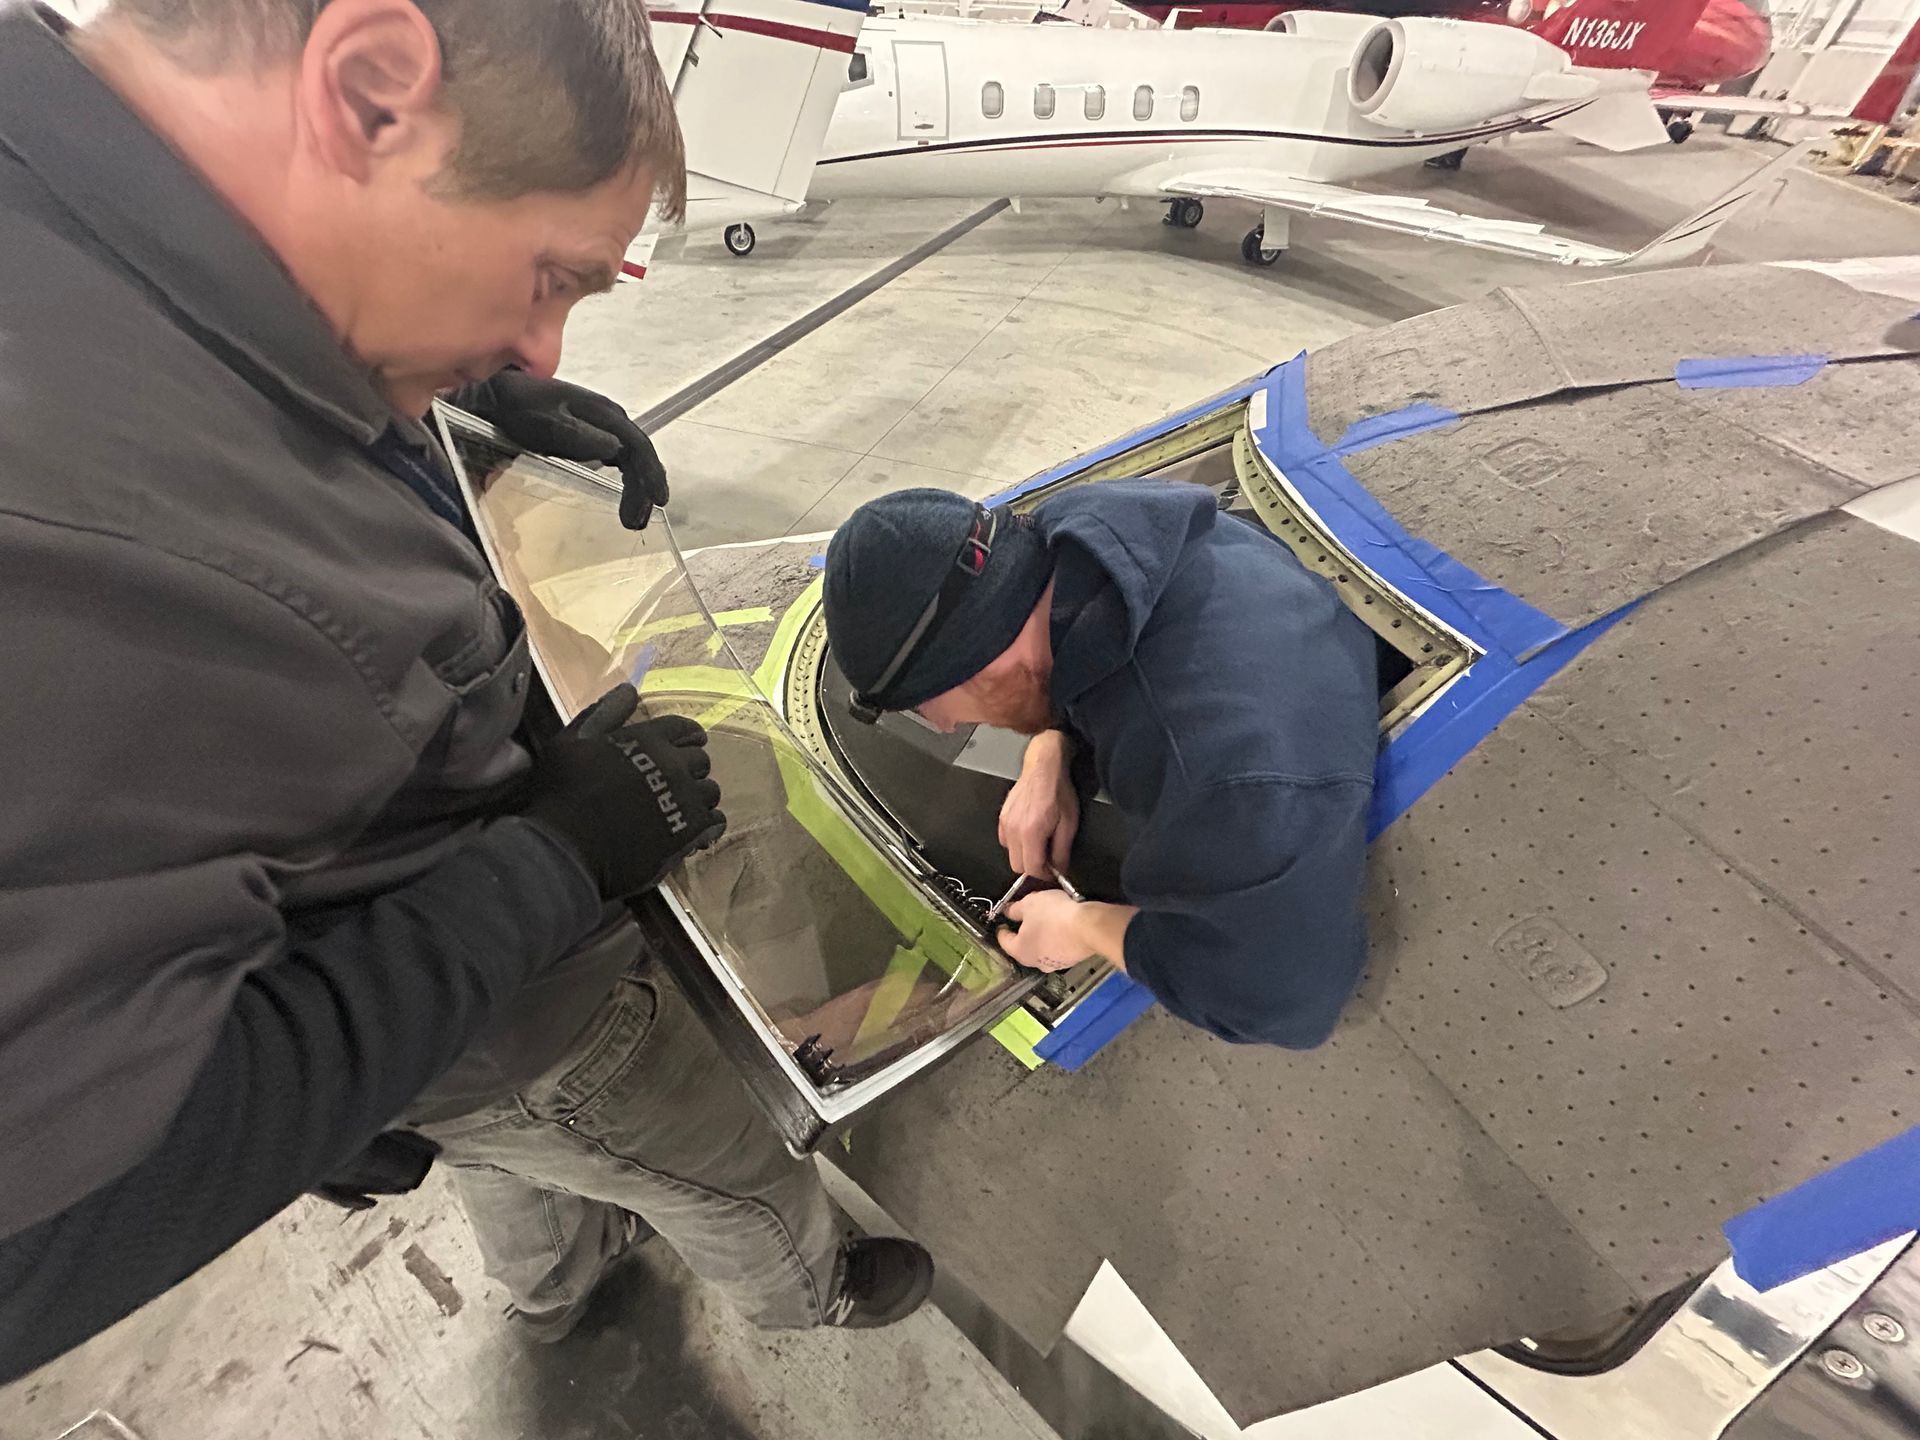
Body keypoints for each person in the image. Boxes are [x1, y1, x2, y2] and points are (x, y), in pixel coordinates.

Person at [0, 0, 929, 1384]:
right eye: (550, 276)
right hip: (519, 995)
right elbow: (45, 1238)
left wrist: (459, 411)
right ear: (372, 91)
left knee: (516, 1146)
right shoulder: (85, 565)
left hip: (445, 1041)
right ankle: (808, 1287)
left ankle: (555, 1290)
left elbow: (236, 350)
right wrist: (548, 867)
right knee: (722, 1164)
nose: (547, 345)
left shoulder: (86, 194)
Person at [822, 483, 1380, 1047]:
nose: (945, 727)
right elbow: (1080, 654)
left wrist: (1082, 926)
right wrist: (1052, 750)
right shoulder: (1091, 537)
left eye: (927, 706)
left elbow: (1280, 999)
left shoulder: (1218, 776)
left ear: (981, 665)